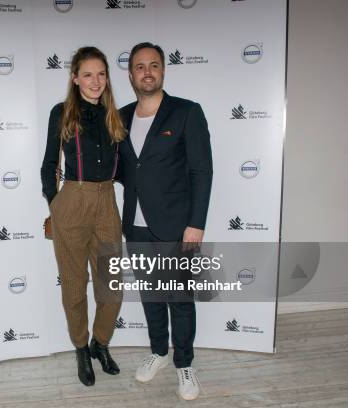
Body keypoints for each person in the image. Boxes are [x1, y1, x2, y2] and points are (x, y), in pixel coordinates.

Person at [117, 42, 213, 400]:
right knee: (151, 294)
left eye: (153, 65)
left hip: (177, 224)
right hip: (136, 225)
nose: (147, 72)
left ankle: (184, 364)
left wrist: (196, 223)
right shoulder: (121, 116)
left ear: (163, 71)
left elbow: (201, 170)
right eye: (140, 66)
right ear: (131, 74)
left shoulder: (186, 112)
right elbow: (121, 167)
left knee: (179, 297)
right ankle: (158, 351)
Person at [41, 46, 126, 387]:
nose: (95, 81)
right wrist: (56, 205)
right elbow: (49, 164)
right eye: (88, 74)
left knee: (112, 286)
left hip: (106, 200)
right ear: (75, 78)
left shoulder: (115, 115)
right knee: (75, 287)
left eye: (101, 74)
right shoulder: (61, 113)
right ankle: (80, 348)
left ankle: (100, 343)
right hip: (72, 201)